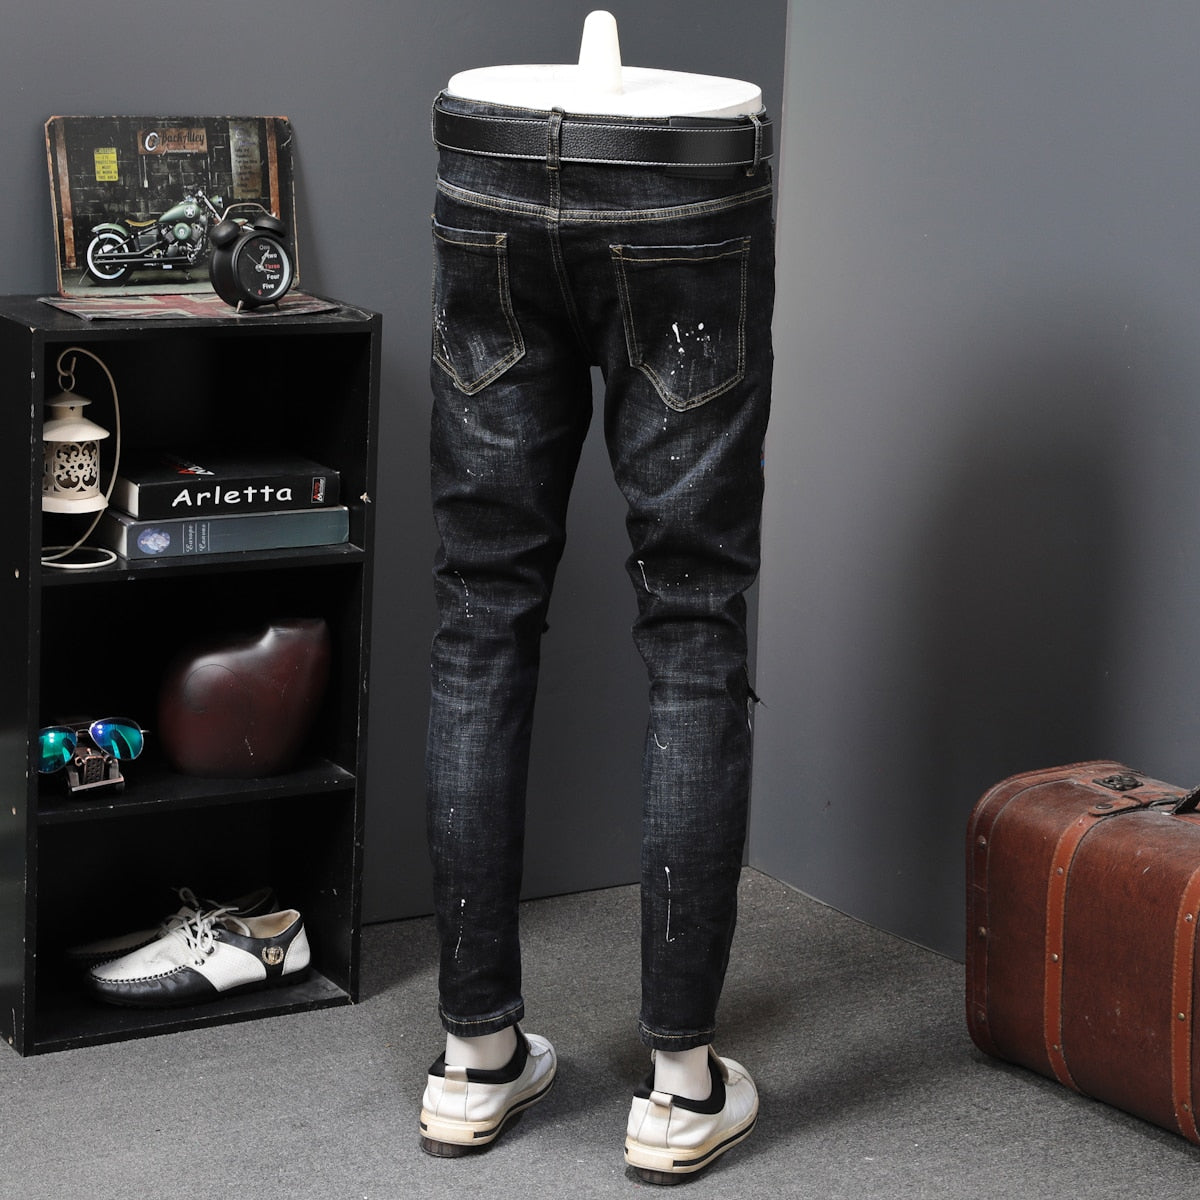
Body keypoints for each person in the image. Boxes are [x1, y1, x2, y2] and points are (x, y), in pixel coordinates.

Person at [419, 11, 775, 1184]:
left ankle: (473, 1059)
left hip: (490, 178)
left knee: (480, 611)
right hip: (684, 192)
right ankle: (680, 1088)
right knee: (694, 619)